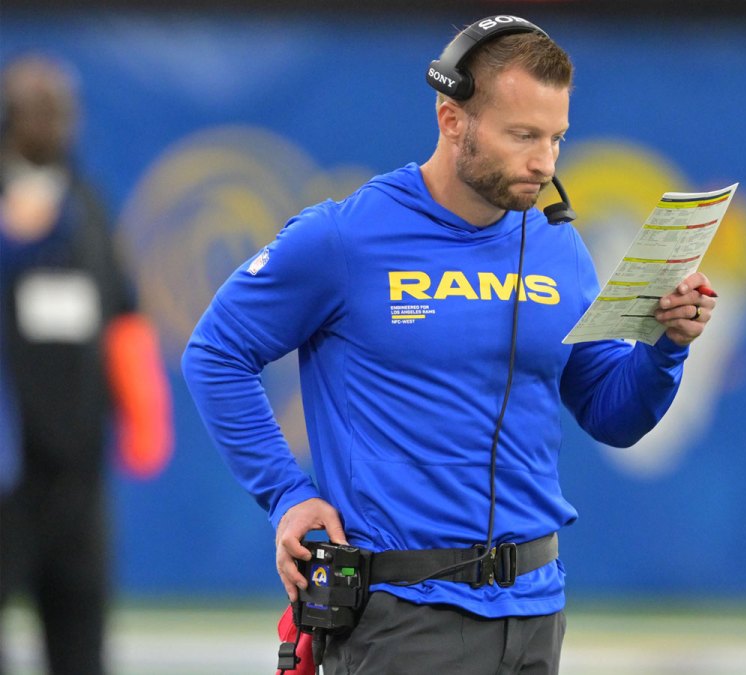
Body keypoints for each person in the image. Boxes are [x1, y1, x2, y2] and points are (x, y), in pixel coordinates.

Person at [181, 15, 716, 674]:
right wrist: (286, 494)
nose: (545, 162)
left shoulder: (556, 244)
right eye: (522, 135)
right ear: (451, 117)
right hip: (403, 617)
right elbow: (215, 352)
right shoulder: (346, 238)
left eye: (556, 137)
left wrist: (666, 346)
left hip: (536, 613)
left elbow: (613, 413)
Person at [0, 55, 173, 674]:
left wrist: (144, 412)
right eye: (36, 110)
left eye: (61, 111)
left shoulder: (87, 207)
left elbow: (123, 316)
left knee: (79, 636)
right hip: (7, 471)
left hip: (76, 473)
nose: (52, 124)